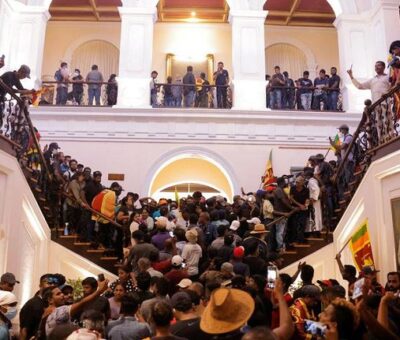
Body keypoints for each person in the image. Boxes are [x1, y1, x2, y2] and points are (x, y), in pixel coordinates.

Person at [45, 278, 109, 337]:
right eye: (58, 294)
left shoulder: (47, 312)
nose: (62, 295)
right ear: (50, 300)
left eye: (61, 293)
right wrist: (99, 291)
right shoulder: (59, 311)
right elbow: (82, 303)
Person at [19, 274, 58, 340]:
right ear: (40, 285)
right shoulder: (32, 304)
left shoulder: (49, 303)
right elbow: (24, 329)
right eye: (49, 283)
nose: (52, 285)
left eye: (54, 283)